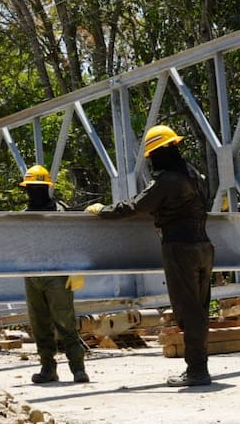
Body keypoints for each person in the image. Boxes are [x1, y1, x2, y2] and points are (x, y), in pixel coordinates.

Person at [88, 125, 214, 387]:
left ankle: (197, 371)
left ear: (157, 153)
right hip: (204, 245)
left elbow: (136, 206)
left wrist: (103, 211)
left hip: (180, 247)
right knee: (199, 310)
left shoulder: (167, 180)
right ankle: (199, 367)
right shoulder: (194, 175)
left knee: (187, 311)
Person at [18, 165, 89, 383]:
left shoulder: (60, 213)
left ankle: (78, 368)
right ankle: (48, 368)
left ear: (46, 188)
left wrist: (75, 269)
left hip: (57, 275)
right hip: (32, 276)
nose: (34, 191)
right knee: (39, 324)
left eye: (38, 187)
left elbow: (75, 242)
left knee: (65, 322)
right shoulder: (21, 217)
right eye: (31, 187)